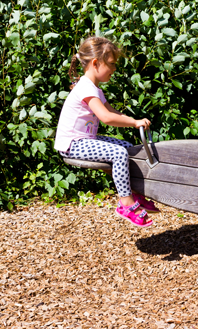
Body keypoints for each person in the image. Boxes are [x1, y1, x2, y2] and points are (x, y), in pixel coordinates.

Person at [54, 36, 160, 227]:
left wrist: (134, 121)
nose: (114, 69)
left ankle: (134, 193)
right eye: (111, 64)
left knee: (128, 148)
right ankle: (125, 204)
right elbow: (106, 117)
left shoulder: (94, 89)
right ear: (95, 63)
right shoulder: (86, 88)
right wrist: (134, 123)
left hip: (84, 140)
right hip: (72, 144)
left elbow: (112, 112)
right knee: (118, 153)